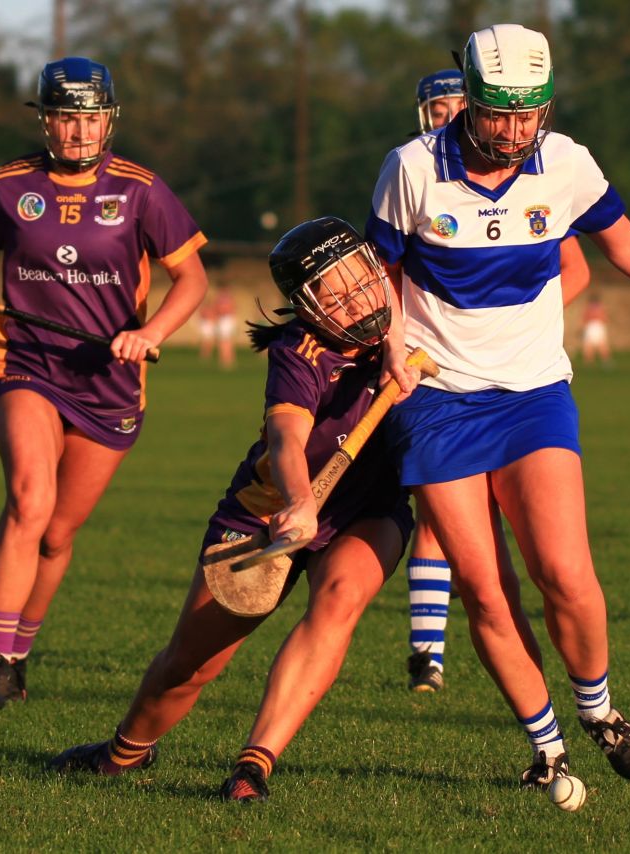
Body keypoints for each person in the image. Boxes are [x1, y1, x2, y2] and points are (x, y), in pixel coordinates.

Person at [367, 24, 630, 788]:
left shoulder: (565, 163)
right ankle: (547, 748)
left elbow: (627, 247)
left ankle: (598, 709)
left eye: (528, 112)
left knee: (566, 573)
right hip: (436, 402)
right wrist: (392, 349)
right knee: (487, 591)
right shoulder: (410, 170)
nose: (513, 130)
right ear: (470, 102)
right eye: (499, 112)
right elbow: (382, 277)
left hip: (533, 393)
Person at [49, 217, 413, 802]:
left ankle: (254, 766)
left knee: (341, 599)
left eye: (360, 280)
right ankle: (122, 754)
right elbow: (286, 442)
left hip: (367, 509)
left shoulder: (418, 327)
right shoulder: (300, 352)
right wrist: (298, 503)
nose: (356, 298)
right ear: (309, 307)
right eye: (334, 292)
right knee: (191, 664)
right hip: (266, 512)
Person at [0, 57, 209, 708]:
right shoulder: (8, 186)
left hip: (110, 381)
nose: (78, 131)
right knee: (29, 498)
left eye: (90, 118)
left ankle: (19, 656)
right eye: (65, 117)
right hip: (22, 362)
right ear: (44, 120)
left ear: (109, 119)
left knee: (57, 533)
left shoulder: (141, 190)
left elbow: (192, 279)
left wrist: (152, 334)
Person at [402, 66, 591, 694]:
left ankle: (586, 704)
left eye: (455, 104)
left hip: (520, 390)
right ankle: (427, 650)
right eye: (438, 107)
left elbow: (577, 271)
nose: (445, 115)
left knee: (540, 557)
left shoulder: (543, 173)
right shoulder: (413, 171)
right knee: (446, 534)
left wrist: (507, 327)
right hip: (434, 388)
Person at [580, 293, 613, 366]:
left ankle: (589, 362)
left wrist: (583, 327)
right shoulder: (600, 307)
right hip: (598, 325)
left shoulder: (589, 308)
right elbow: (604, 317)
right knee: (601, 344)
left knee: (590, 345)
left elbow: (585, 318)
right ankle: (605, 361)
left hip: (591, 326)